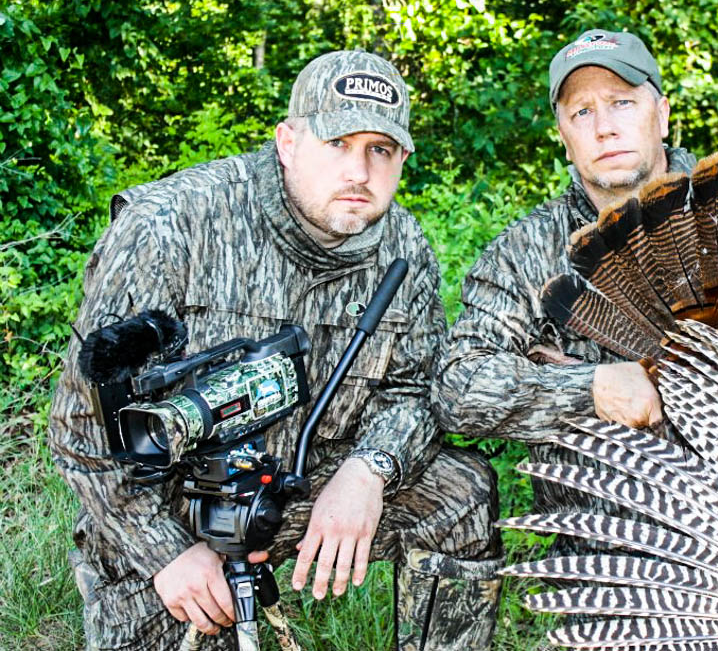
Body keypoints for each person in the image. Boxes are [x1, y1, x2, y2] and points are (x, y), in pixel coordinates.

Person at [49, 50, 502, 651]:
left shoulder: (403, 244)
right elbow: (82, 429)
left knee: (462, 492)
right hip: (181, 506)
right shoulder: (172, 223)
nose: (359, 172)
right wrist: (167, 555)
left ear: (403, 160)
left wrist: (371, 469)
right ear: (288, 141)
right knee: (181, 623)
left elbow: (416, 387)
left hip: (310, 479)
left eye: (380, 150)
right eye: (337, 143)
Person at [432, 29, 695, 554]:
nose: (605, 128)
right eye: (582, 113)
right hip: (604, 564)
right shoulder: (526, 250)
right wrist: (588, 389)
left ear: (661, 114)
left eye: (622, 102)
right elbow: (457, 385)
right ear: (562, 134)